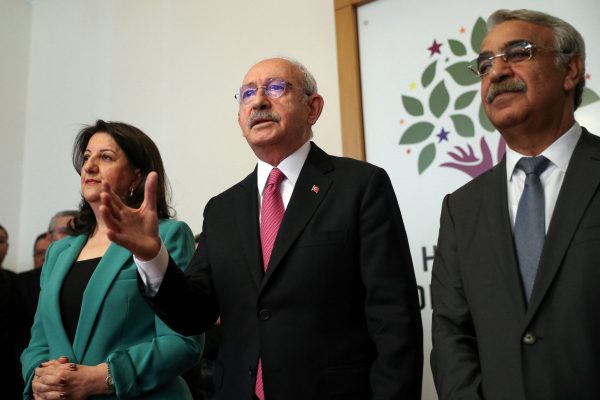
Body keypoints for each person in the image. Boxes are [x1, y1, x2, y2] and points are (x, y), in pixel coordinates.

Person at [99, 57, 423, 399]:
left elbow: (394, 318)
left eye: (276, 88)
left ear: (312, 108)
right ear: (240, 118)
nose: (259, 101)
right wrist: (150, 255)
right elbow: (195, 315)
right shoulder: (222, 209)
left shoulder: (360, 186)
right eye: (247, 94)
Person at [430, 9, 598, 400]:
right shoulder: (461, 209)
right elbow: (452, 334)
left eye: (518, 53)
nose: (497, 72)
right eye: (485, 64)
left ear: (570, 71)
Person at [21, 120, 203, 399]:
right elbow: (39, 341)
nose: (89, 167)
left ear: (136, 176)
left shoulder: (166, 236)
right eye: (86, 157)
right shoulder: (58, 252)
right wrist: (39, 379)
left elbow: (183, 342)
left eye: (105, 157)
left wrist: (103, 377)